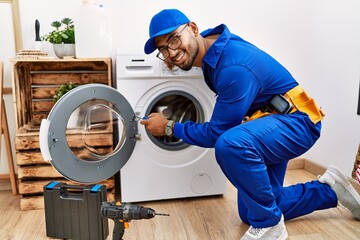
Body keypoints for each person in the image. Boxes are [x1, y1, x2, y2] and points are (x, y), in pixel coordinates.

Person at [140, 9, 360, 240]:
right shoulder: (212, 47)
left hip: (297, 123)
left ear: (193, 29)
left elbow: (217, 133)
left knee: (229, 143)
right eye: (163, 49)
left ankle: (271, 226)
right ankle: (330, 190)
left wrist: (169, 127)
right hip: (268, 123)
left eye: (174, 39)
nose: (171, 53)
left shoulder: (232, 67)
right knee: (250, 212)